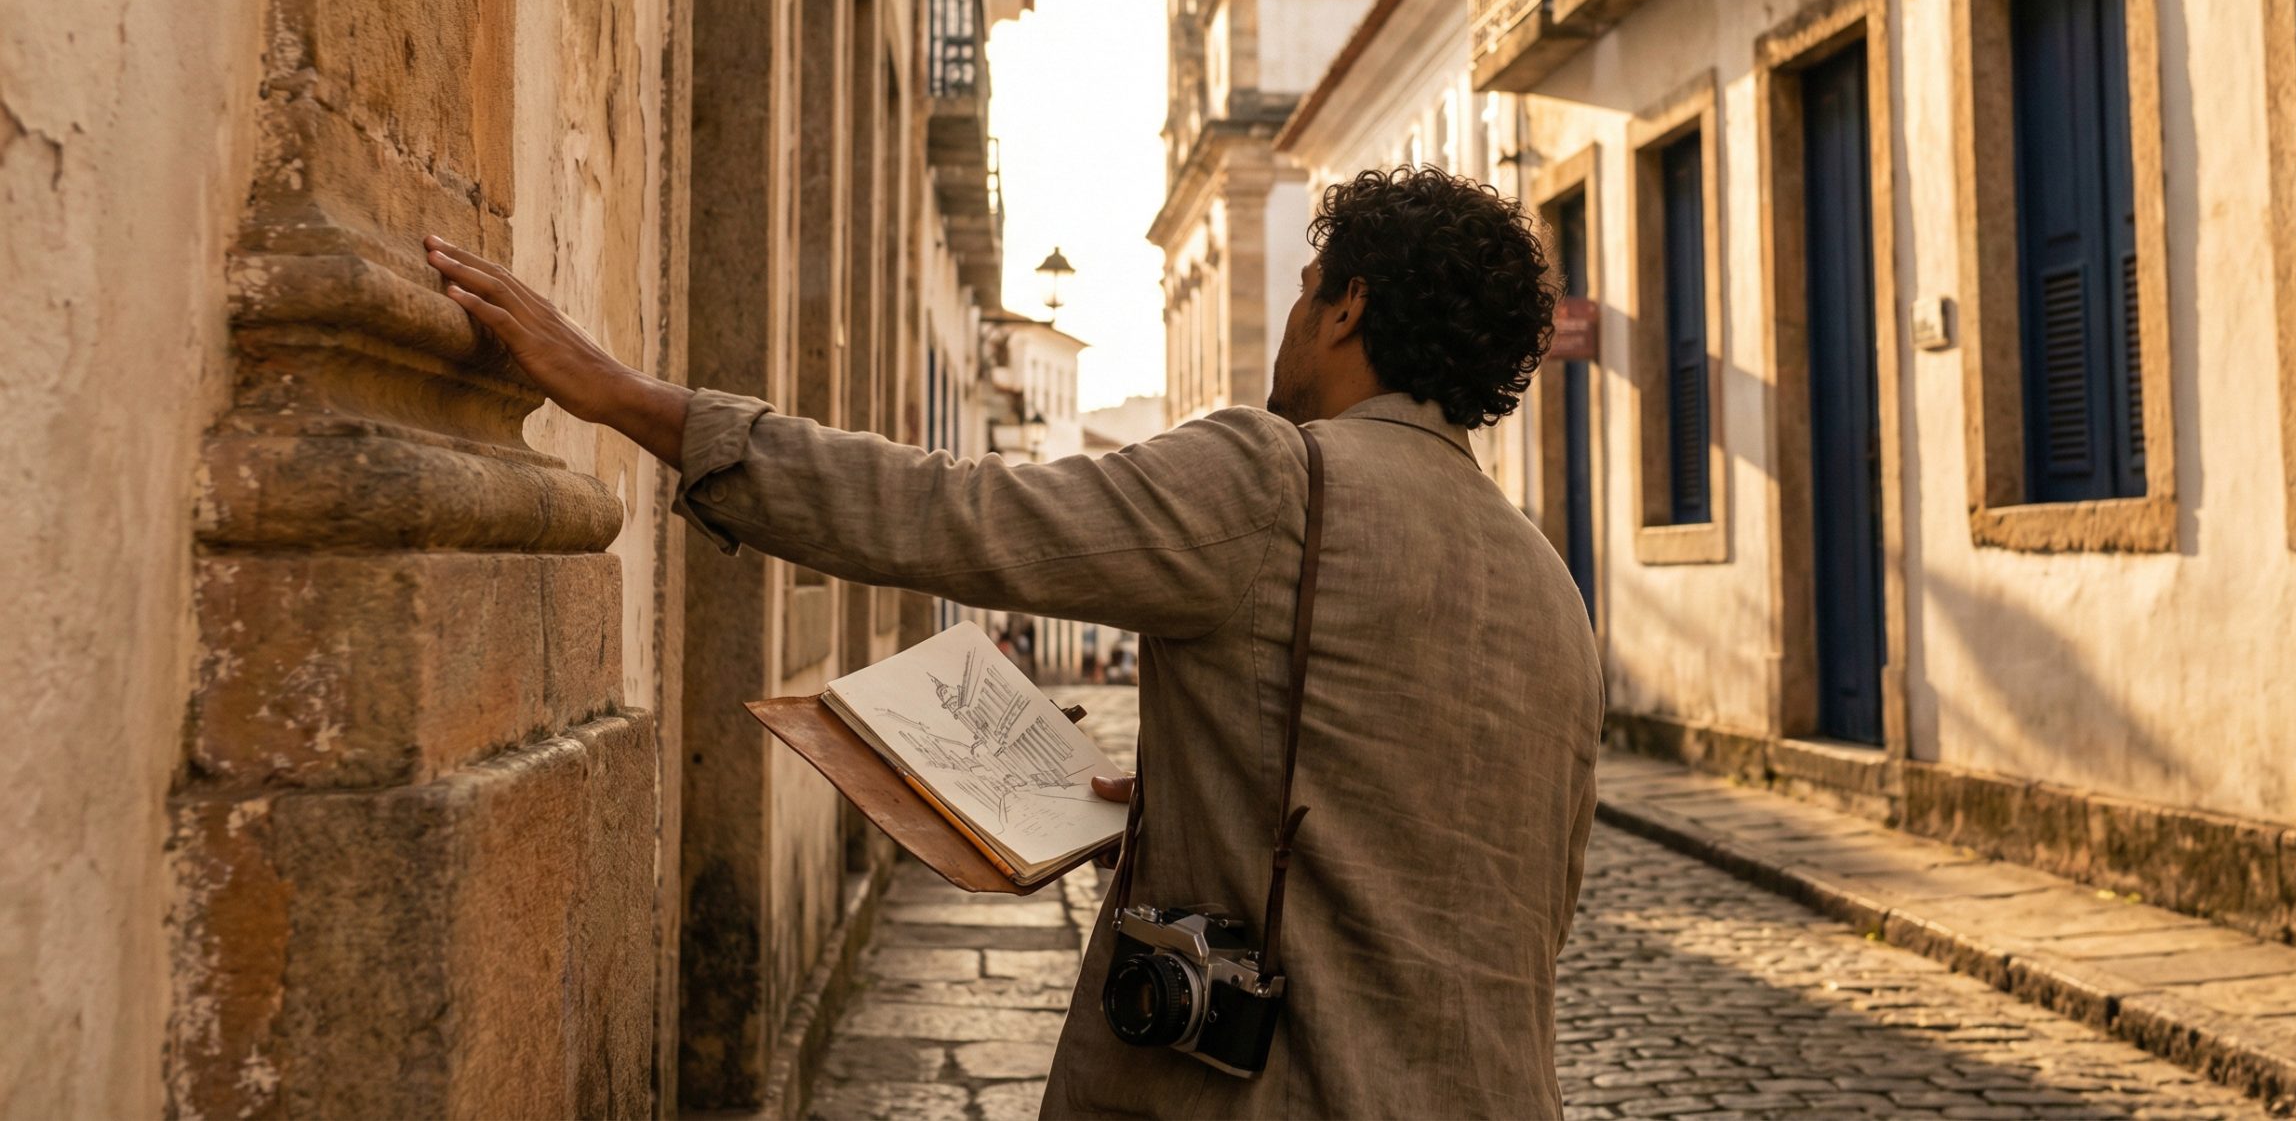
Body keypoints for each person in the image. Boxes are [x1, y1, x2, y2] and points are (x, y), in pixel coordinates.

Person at [424, 165, 1602, 1120]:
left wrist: (625, 397)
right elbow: (1475, 867)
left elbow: (962, 515)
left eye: (1306, 289)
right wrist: (1207, 804)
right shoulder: (1549, 584)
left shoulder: (1276, 480)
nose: (1293, 317)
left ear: (1346, 305)